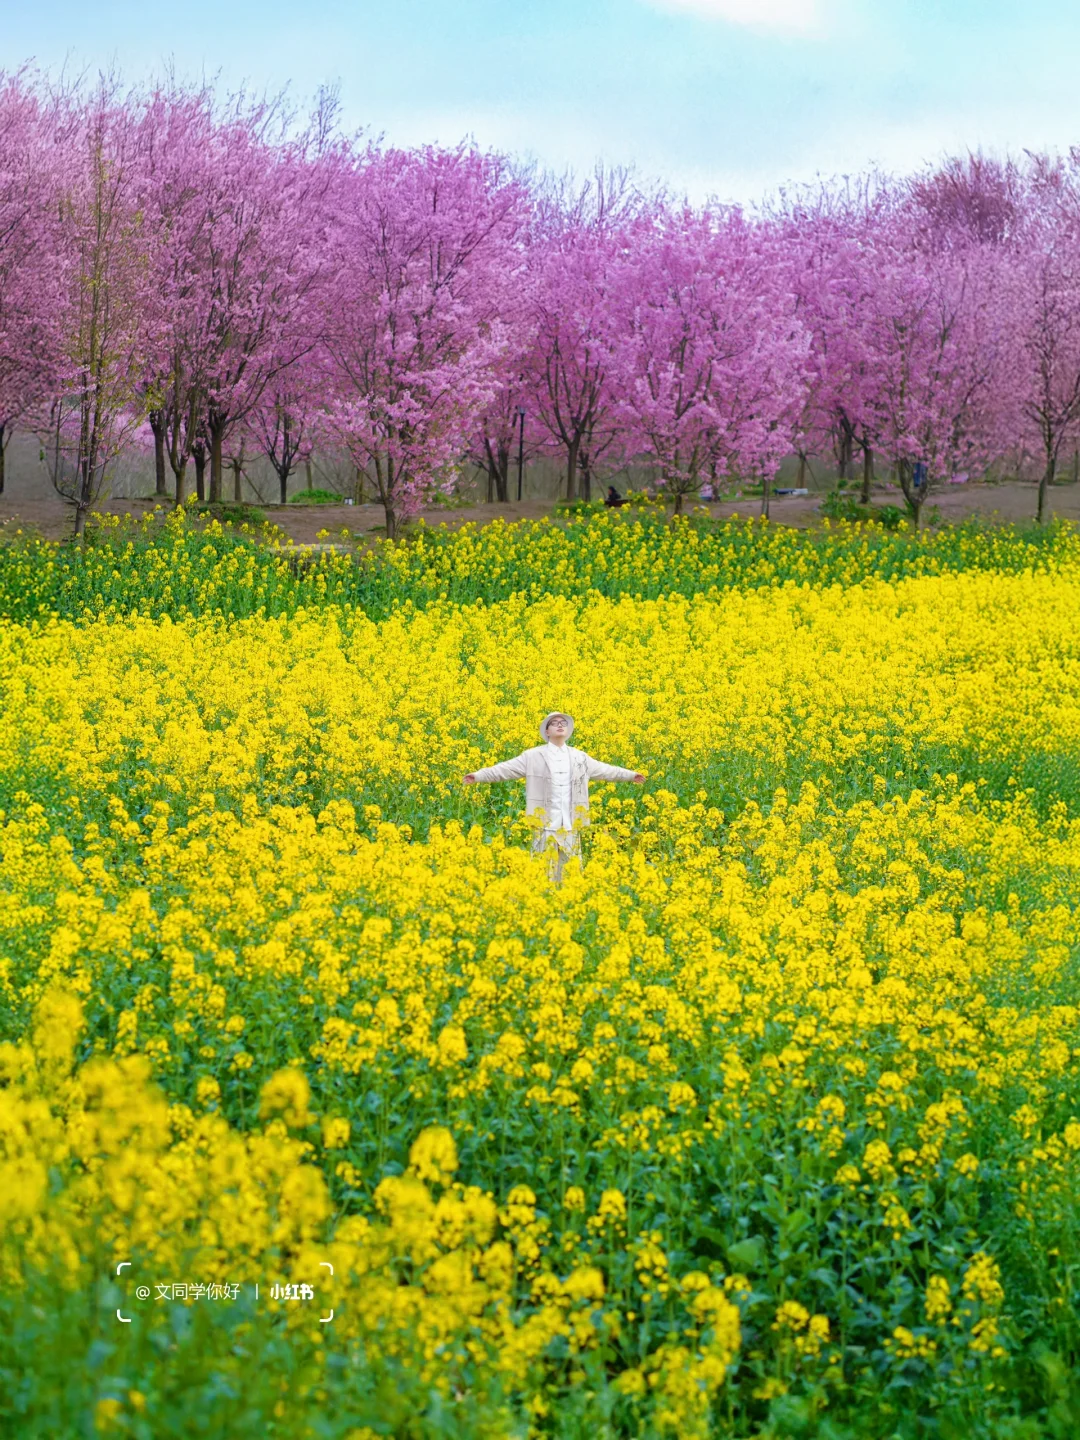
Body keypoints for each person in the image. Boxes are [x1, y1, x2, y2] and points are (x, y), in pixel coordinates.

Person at [463, 712, 645, 881]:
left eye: (563, 723)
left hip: (571, 823)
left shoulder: (580, 757)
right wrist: (478, 776)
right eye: (554, 723)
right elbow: (504, 770)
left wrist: (631, 775)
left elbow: (607, 770)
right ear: (547, 731)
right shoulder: (532, 756)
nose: (560, 725)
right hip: (544, 823)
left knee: (571, 874)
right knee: (542, 872)